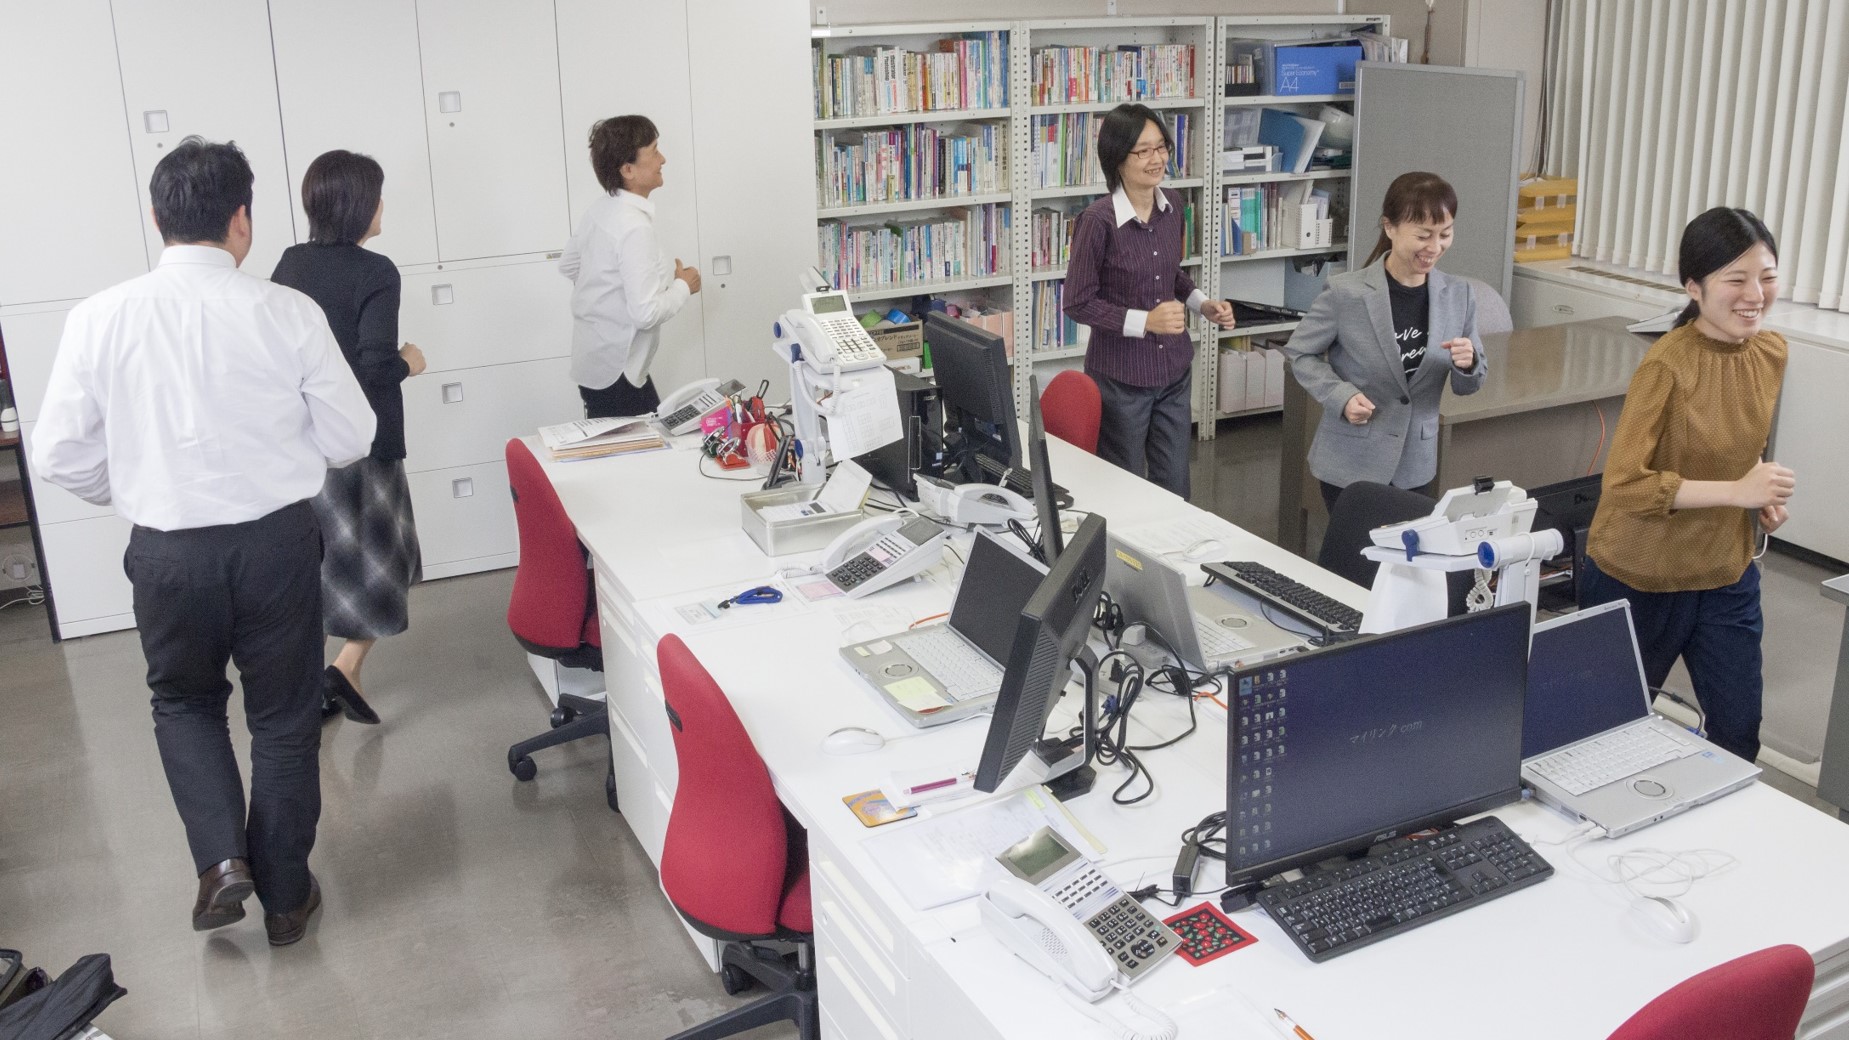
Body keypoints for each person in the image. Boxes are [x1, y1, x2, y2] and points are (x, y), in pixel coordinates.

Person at [31, 137, 375, 945]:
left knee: (184, 703)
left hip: (167, 552)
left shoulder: (99, 317)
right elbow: (352, 435)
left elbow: (57, 454)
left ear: (158, 219)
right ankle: (285, 896)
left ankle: (221, 862)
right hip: (276, 544)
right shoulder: (288, 312)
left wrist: (136, 489)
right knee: (284, 717)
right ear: (241, 219)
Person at [1580, 207, 1793, 764]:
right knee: (1608, 732)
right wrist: (1736, 492)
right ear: (1694, 287)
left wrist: (1760, 496)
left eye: (1767, 277)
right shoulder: (1666, 365)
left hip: (1725, 568)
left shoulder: (1771, 353)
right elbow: (1625, 484)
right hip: (1639, 573)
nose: (1755, 295)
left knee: (1738, 732)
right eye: (1736, 279)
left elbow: (1740, 442)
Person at [271, 150, 427, 726]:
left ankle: (313, 682)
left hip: (306, 441)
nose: (383, 205)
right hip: (364, 443)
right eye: (377, 196)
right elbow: (374, 365)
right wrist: (410, 361)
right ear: (361, 206)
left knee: (316, 567)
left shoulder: (290, 263)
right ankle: (346, 666)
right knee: (382, 560)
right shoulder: (376, 271)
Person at [1279, 172, 1491, 513]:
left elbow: (1469, 385)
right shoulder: (1346, 293)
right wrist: (1341, 396)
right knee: (1355, 547)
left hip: (1415, 464)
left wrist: (1469, 363)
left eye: (1445, 234)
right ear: (1389, 227)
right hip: (1351, 463)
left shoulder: (1459, 295)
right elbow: (1300, 354)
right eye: (1423, 235)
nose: (1434, 247)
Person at [1064, 103, 1238, 499]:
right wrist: (1144, 321)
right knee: (1122, 488)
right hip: (1121, 379)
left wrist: (1202, 304)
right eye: (1143, 151)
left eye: (1161, 147)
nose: (1156, 159)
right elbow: (1077, 302)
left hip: (1173, 371)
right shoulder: (1098, 221)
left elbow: (1169, 274)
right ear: (1117, 159)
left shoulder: (1173, 206)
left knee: (1175, 488)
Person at [561, 115, 700, 419]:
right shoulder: (634, 227)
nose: (663, 159)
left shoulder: (601, 208)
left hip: (596, 362)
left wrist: (604, 297)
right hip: (618, 373)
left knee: (650, 436)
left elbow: (569, 264)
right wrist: (683, 286)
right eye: (654, 151)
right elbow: (645, 313)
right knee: (654, 442)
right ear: (628, 170)